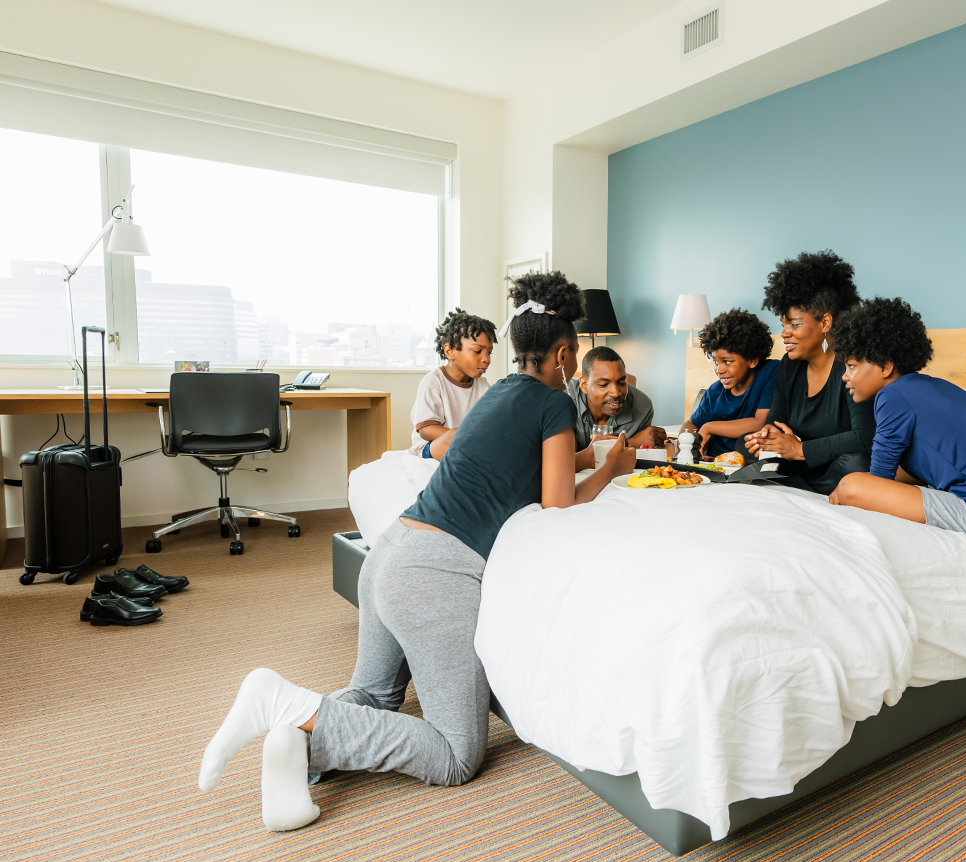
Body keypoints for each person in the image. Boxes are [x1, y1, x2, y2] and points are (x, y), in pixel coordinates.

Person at [197, 271, 636, 831]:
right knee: (457, 755)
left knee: (376, 696)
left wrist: (593, 453)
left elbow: (529, 461)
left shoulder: (496, 395)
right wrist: (611, 471)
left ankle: (297, 744)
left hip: (390, 551)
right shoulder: (553, 404)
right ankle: (288, 705)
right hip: (433, 573)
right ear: (565, 354)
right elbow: (556, 505)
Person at [828, 297, 966, 542]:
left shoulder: (891, 397)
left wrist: (850, 493)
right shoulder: (930, 387)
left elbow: (878, 482)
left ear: (886, 366)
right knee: (864, 478)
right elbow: (907, 470)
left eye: (851, 366)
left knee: (851, 486)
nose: (845, 377)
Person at [743, 249, 875, 493]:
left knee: (858, 462)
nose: (784, 333)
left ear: (825, 322)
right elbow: (776, 420)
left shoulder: (854, 366)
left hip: (837, 470)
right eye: (783, 324)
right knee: (747, 449)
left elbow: (864, 437)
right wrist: (768, 434)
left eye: (794, 324)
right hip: (797, 467)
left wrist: (799, 449)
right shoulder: (789, 365)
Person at [681, 308, 778, 458]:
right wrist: (690, 442)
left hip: (750, 462)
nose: (719, 370)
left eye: (727, 361)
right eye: (715, 362)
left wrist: (709, 427)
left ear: (752, 360)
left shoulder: (769, 372)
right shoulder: (714, 393)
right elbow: (689, 425)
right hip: (715, 464)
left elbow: (761, 422)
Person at [408, 309, 496, 460]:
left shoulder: (483, 385)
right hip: (432, 447)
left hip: (467, 444)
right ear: (450, 351)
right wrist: (463, 437)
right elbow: (425, 430)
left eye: (489, 353)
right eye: (477, 351)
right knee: (452, 438)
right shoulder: (433, 382)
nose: (486, 359)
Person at [568, 346, 665, 469]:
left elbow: (636, 464)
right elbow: (559, 464)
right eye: (604, 385)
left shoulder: (641, 408)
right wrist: (630, 443)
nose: (616, 393)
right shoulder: (564, 398)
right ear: (584, 385)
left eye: (622, 382)